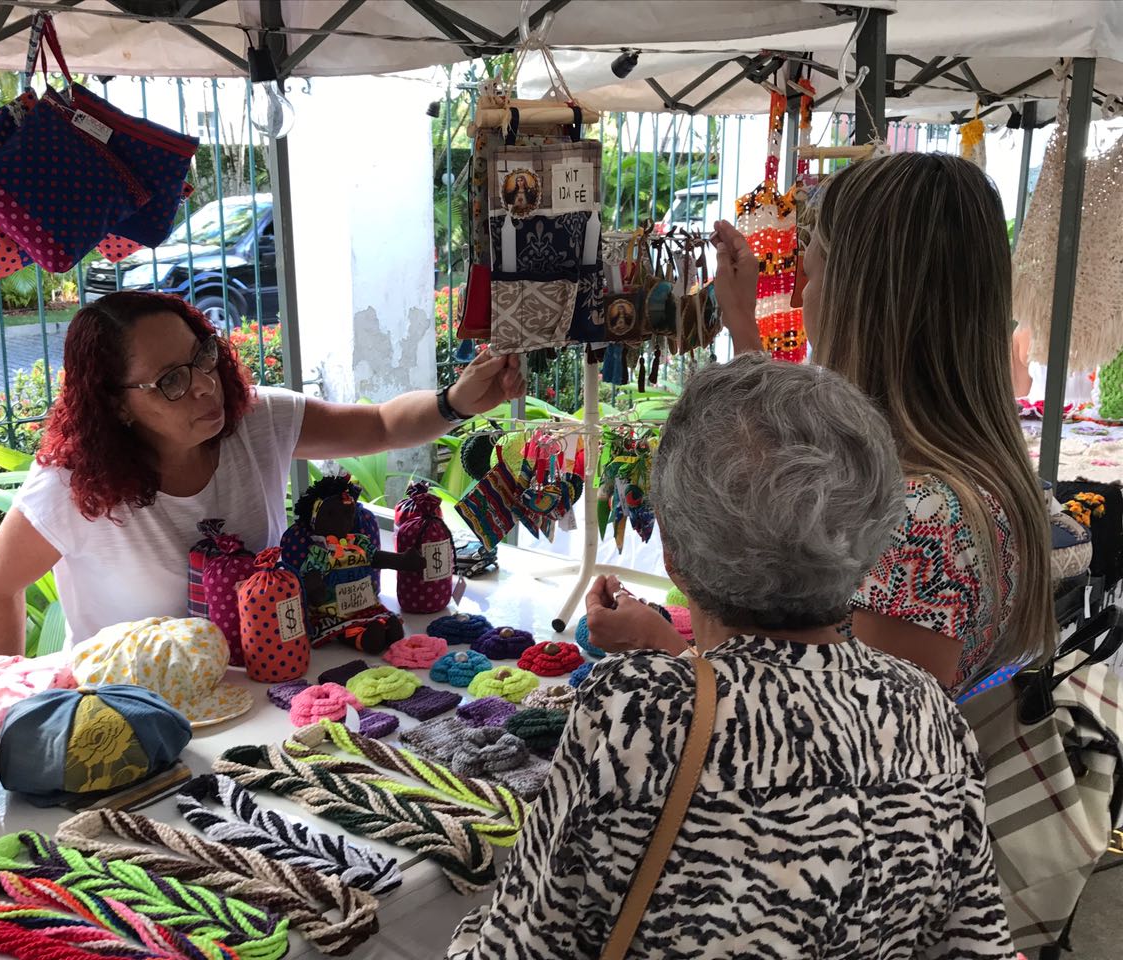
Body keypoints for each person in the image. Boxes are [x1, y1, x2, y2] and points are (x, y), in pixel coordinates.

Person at [448, 355, 1015, 960]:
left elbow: (519, 944)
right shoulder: (927, 708)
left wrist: (461, 932)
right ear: (873, 531)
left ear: (670, 546)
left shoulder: (634, 710)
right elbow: (975, 941)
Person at [0, 291, 523, 655]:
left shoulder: (255, 419)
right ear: (115, 404)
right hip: (134, 715)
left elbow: (380, 426)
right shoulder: (74, 485)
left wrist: (457, 401)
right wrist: (13, 706)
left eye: (203, 356)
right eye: (170, 381)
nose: (204, 385)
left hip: (267, 678)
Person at [709, 152, 1053, 696]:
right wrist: (743, 327)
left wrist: (676, 661)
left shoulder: (919, 520)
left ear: (859, 298)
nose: (802, 296)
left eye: (814, 272)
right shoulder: (955, 477)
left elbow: (864, 742)